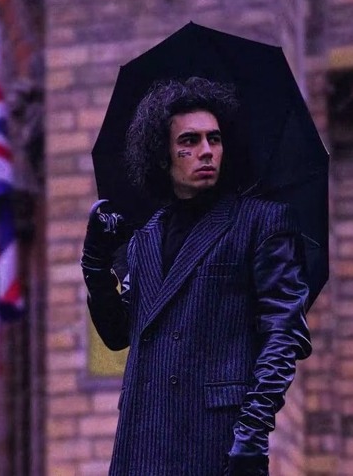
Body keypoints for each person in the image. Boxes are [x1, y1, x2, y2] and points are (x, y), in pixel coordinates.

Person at [81, 77, 312, 476]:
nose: (206, 151)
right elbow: (119, 334)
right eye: (189, 140)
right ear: (162, 154)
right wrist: (96, 267)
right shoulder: (145, 237)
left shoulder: (260, 222)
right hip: (142, 442)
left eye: (214, 139)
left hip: (217, 441)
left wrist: (253, 429)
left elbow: (284, 332)